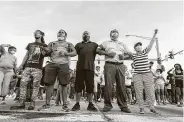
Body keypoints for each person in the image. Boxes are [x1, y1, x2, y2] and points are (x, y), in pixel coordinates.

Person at [38, 29, 76, 111]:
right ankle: (47, 104)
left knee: (64, 84)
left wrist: (66, 53)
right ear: (57, 34)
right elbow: (46, 53)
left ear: (65, 36)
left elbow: (74, 53)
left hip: (64, 64)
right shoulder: (52, 43)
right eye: (59, 32)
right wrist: (45, 50)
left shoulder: (69, 44)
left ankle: (65, 105)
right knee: (49, 84)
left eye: (62, 32)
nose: (60, 33)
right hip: (52, 63)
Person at [10, 30, 47, 110]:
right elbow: (26, 55)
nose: (36, 33)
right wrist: (21, 65)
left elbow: (46, 54)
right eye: (35, 33)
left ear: (41, 35)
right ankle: (21, 103)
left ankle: (32, 103)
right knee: (23, 84)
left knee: (35, 86)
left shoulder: (44, 45)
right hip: (27, 67)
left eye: (38, 32)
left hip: (37, 68)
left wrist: (45, 49)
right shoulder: (30, 44)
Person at [97, 29, 131, 113]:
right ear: (110, 34)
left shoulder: (122, 44)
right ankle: (107, 105)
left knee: (121, 86)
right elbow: (97, 50)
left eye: (116, 32)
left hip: (120, 65)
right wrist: (107, 54)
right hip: (109, 65)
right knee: (108, 85)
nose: (114, 33)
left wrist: (124, 57)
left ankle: (123, 106)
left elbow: (130, 55)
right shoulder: (105, 42)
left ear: (118, 35)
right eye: (112, 32)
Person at [125, 29, 158, 114]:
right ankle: (141, 108)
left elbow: (151, 44)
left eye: (140, 45)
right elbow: (124, 55)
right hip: (137, 75)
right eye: (137, 46)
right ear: (135, 48)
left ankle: (151, 107)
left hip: (147, 74)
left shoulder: (145, 52)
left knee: (150, 91)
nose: (139, 46)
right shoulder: (133, 55)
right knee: (139, 91)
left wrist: (154, 34)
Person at [72, 31, 99, 112]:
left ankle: (90, 104)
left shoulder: (94, 45)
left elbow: (100, 50)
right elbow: (72, 53)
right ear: (82, 36)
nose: (85, 34)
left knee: (90, 86)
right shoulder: (78, 45)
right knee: (78, 86)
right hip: (80, 68)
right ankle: (77, 104)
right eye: (84, 33)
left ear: (90, 35)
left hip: (90, 68)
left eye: (87, 33)